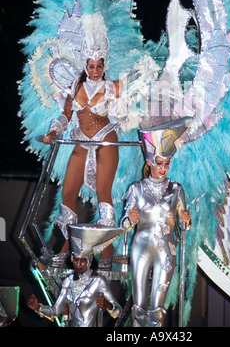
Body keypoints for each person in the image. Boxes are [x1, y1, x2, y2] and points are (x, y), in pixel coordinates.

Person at [43, 55, 127, 263]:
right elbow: (66, 116)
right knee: (68, 193)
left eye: (99, 66)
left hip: (105, 139)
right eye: (91, 66)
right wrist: (54, 131)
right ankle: (67, 245)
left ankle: (107, 253)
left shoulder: (111, 86)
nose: (96, 70)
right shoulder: (75, 86)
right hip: (80, 140)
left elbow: (123, 119)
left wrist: (118, 97)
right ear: (85, 65)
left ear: (104, 66)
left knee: (102, 192)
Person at [121, 119, 192, 327]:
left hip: (167, 249)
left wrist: (186, 220)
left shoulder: (177, 189)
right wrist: (130, 219)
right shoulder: (136, 188)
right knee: (139, 306)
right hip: (141, 247)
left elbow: (185, 226)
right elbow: (125, 225)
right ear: (150, 162)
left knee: (157, 309)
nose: (163, 168)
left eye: (167, 164)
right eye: (159, 163)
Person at [27, 252, 121, 327]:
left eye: (83, 260)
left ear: (89, 260)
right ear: (72, 259)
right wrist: (38, 308)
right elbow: (55, 311)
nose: (79, 264)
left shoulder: (97, 281)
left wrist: (108, 305)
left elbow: (118, 312)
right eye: (76, 260)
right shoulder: (68, 281)